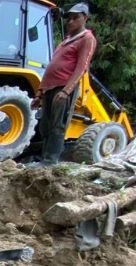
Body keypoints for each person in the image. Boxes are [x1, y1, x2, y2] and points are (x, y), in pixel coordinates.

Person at [31, 2, 96, 166]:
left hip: (63, 88)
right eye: (69, 18)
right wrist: (39, 93)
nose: (70, 21)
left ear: (85, 18)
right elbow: (50, 69)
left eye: (76, 18)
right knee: (45, 126)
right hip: (49, 89)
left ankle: (50, 161)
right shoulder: (65, 41)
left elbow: (82, 68)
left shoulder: (86, 39)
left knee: (57, 125)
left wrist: (66, 91)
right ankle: (44, 159)